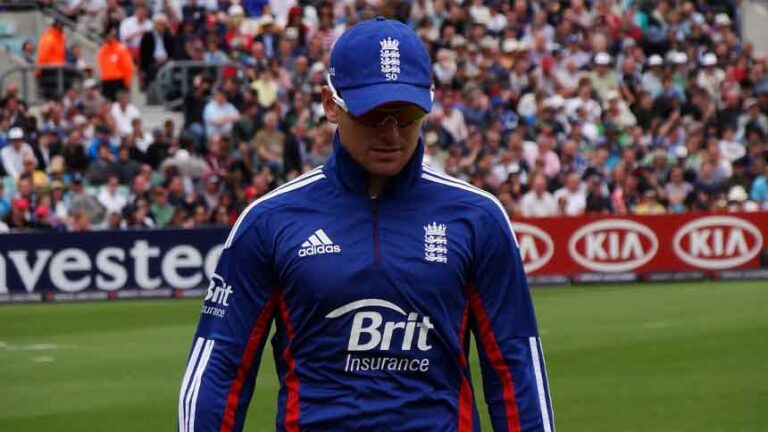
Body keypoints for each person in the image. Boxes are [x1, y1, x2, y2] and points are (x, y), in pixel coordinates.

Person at [178, 17, 554, 432]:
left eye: (406, 115)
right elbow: (219, 368)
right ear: (330, 104)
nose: (391, 134)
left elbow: (516, 367)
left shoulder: (478, 217)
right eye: (373, 114)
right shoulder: (268, 221)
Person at [98, 26, 134, 101]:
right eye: (105, 36)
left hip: (118, 81)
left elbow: (127, 68)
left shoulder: (121, 49)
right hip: (106, 82)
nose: (107, 38)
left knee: (118, 103)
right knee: (107, 104)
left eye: (109, 35)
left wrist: (127, 83)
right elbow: (102, 67)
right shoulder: (102, 51)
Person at [35, 19, 67, 100]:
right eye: (62, 26)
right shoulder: (49, 38)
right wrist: (40, 71)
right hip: (49, 71)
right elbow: (43, 57)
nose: (63, 28)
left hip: (57, 70)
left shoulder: (60, 38)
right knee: (50, 96)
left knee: (57, 96)